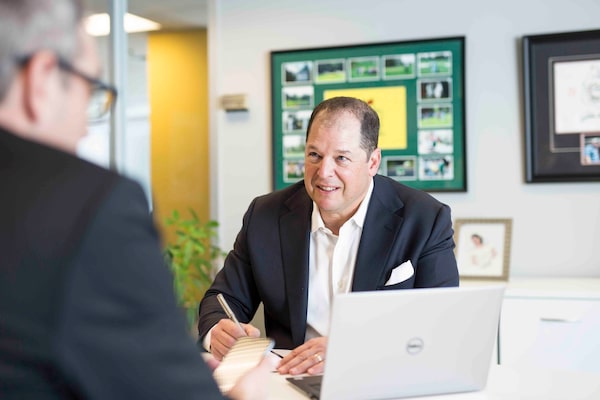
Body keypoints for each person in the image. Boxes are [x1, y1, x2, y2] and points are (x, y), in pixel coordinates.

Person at [0, 0, 270, 398]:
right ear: (41, 78)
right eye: (89, 89)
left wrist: (154, 365)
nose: (84, 128)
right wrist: (242, 393)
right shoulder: (90, 205)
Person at [198, 96, 459, 376]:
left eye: (341, 158)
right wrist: (218, 331)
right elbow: (223, 298)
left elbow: (440, 323)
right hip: (290, 379)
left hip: (382, 377)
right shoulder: (265, 216)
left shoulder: (425, 219)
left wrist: (350, 348)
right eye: (315, 155)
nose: (324, 173)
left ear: (372, 162)